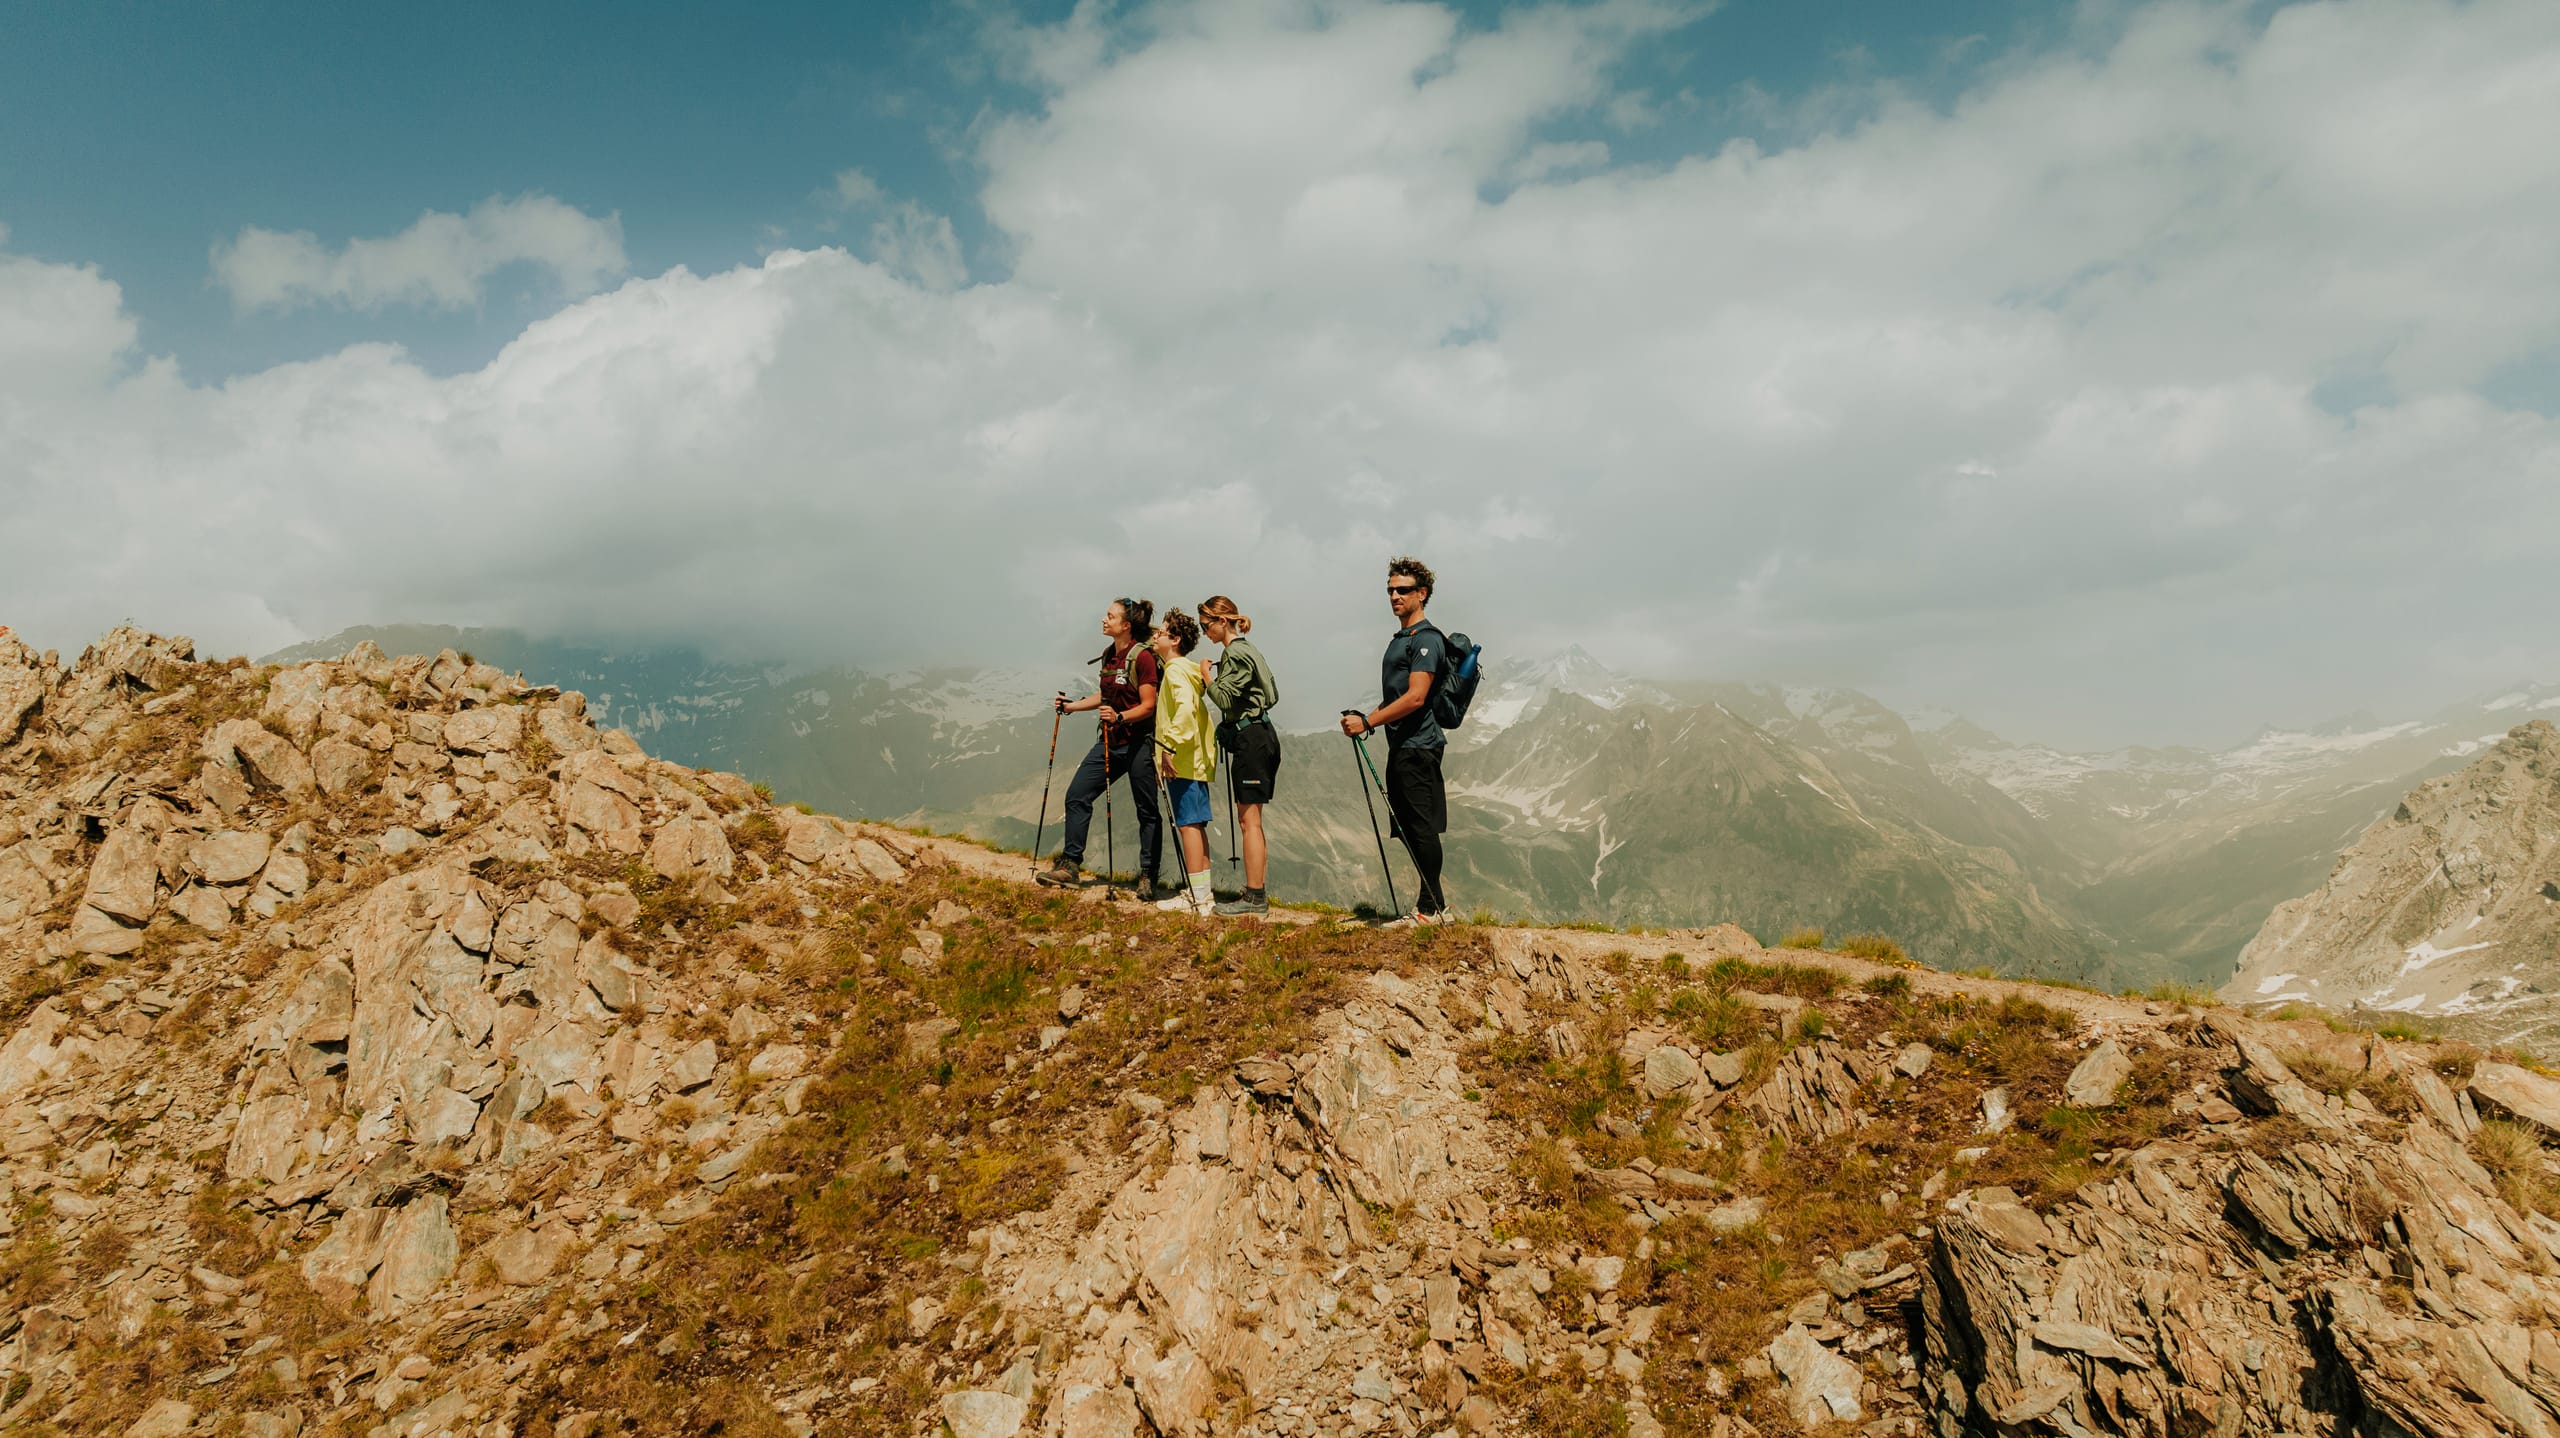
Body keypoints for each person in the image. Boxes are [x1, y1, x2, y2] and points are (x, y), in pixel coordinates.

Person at [1339, 557, 1451, 924]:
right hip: (1404, 745)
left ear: (1422, 594)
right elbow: (1397, 698)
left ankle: (1434, 909)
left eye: (1403, 590)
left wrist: (1368, 722)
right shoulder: (1403, 639)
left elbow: (1416, 697)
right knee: (1406, 826)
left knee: (1420, 827)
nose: (1394, 596)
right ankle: (1429, 907)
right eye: (1390, 590)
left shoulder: (1427, 640)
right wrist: (1367, 720)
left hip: (1419, 746)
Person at [1042, 598, 1167, 899]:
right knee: (1077, 795)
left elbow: (1149, 705)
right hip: (1111, 741)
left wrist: (1120, 716)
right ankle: (1071, 865)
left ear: (1126, 625)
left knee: (1147, 810)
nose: (1103, 619)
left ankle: (1148, 876)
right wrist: (1071, 706)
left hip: (1138, 743)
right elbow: (1105, 694)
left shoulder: (1144, 658)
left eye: (1110, 616)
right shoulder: (1109, 655)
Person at [1198, 595, 1280, 916]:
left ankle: (1255, 897)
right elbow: (1272, 694)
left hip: (1252, 740)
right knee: (1252, 819)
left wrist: (1207, 675)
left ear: (1222, 621)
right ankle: (1254, 890)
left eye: (1207, 626)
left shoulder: (1235, 654)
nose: (1205, 632)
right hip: (1259, 735)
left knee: (1249, 821)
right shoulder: (1250, 650)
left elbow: (1222, 697)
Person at [1148, 610, 1218, 914]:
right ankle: (1203, 895)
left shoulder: (1175, 672)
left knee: (1187, 826)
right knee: (1196, 827)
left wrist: (1167, 748)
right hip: (1196, 762)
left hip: (1182, 762)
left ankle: (1197, 898)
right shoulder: (1187, 671)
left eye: (1161, 632)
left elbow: (1186, 712)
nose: (1155, 635)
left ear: (1174, 640)